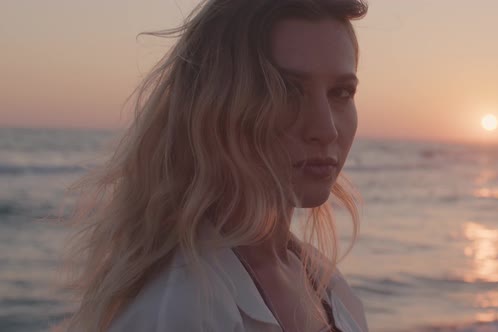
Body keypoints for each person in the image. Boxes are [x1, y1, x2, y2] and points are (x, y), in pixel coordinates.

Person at [59, 0, 368, 331]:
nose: (326, 129)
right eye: (287, 91)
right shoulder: (181, 310)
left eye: (341, 93)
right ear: (215, 105)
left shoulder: (319, 280)